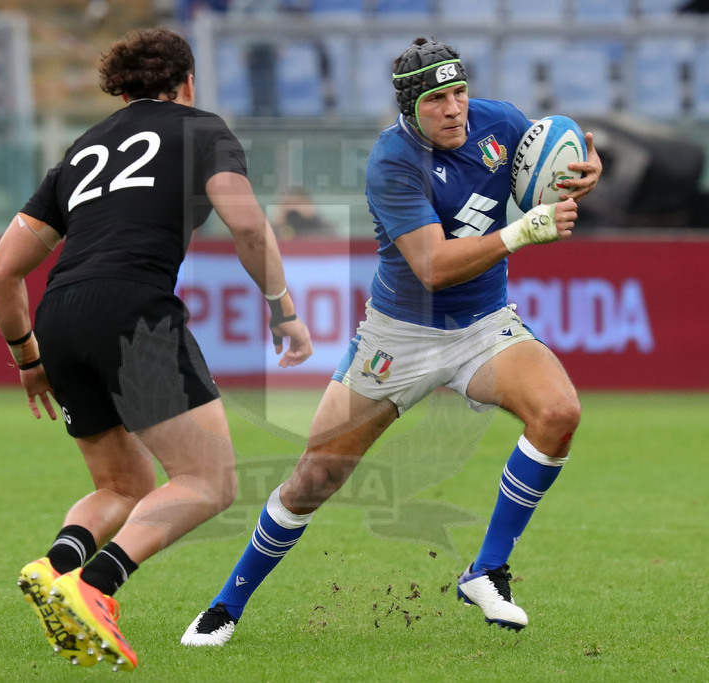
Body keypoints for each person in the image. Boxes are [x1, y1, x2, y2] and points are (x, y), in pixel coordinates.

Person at [181, 36, 602, 646]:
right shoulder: (392, 160)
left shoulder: (503, 123)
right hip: (399, 336)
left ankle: (486, 570)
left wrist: (585, 173)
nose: (455, 108)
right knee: (314, 478)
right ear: (411, 107)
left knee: (559, 412)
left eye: (459, 92)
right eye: (438, 99)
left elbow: (564, 158)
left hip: (483, 326)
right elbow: (431, 267)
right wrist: (523, 232)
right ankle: (226, 605)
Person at [0, 27, 312, 671]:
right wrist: (283, 308)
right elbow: (245, 221)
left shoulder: (80, 150)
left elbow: (1, 273)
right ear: (186, 83)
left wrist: (29, 361)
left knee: (121, 483)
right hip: (132, 311)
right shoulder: (201, 128)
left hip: (60, 314)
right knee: (209, 480)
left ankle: (54, 566)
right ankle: (94, 588)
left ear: (125, 88)